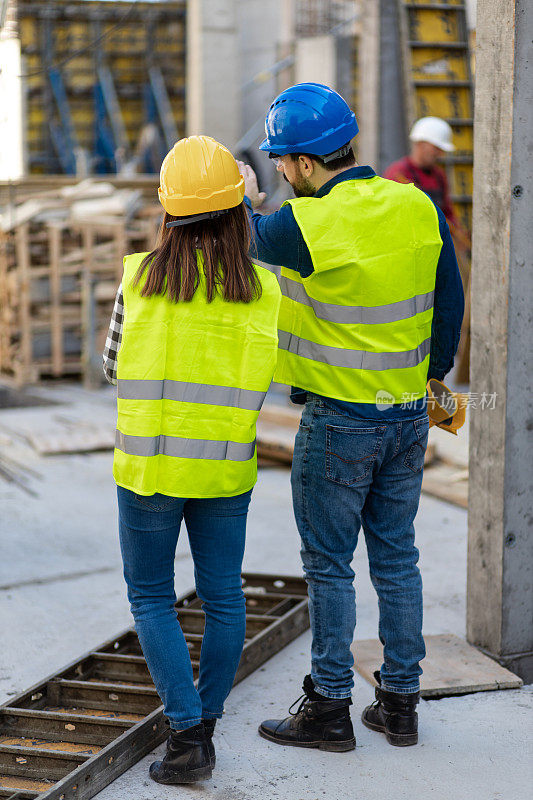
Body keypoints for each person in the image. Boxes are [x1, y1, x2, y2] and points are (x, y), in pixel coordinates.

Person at [239, 83, 464, 751]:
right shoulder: (415, 203)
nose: (281, 171)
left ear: (305, 165)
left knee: (329, 566)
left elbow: (241, 234)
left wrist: (247, 196)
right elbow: (447, 300)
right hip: (406, 417)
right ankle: (399, 704)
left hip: (338, 424)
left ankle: (329, 709)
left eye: (282, 161)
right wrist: (433, 378)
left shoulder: (305, 223)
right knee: (396, 558)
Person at [103, 135, 281, 784]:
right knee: (223, 596)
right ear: (239, 211)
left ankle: (185, 739)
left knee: (151, 597)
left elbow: (110, 366)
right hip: (225, 470)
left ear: (166, 211)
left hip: (148, 471)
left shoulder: (137, 280)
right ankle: (202, 725)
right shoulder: (264, 291)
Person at [384, 116, 470, 252]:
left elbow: (447, 211)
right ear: (420, 143)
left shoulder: (439, 176)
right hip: (406, 246)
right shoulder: (398, 174)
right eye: (436, 148)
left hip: (433, 245)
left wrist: (457, 232)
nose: (439, 154)